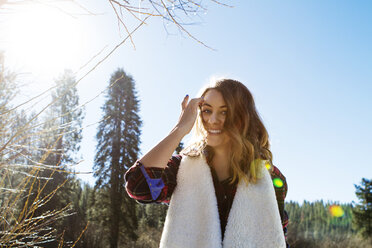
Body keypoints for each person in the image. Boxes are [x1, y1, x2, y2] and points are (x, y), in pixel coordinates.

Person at [125, 79, 289, 248]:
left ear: (242, 118)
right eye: (207, 111)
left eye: (224, 112)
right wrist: (180, 129)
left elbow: (277, 237)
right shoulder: (181, 168)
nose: (212, 120)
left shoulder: (271, 178)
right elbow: (138, 186)